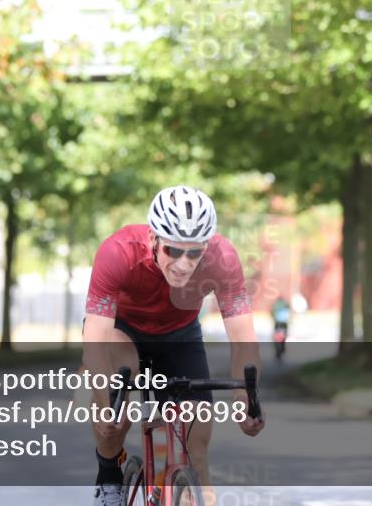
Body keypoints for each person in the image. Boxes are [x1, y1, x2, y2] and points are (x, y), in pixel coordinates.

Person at [82, 185, 264, 506]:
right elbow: (95, 340)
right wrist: (104, 402)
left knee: (198, 452)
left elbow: (243, 338)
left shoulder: (223, 259)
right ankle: (109, 475)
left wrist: (245, 399)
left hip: (180, 335)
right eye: (173, 251)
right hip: (123, 331)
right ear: (153, 239)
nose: (183, 263)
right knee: (115, 404)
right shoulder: (118, 252)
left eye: (194, 253)